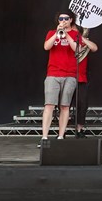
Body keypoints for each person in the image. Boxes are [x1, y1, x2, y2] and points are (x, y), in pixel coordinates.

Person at [41, 9, 79, 143]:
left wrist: (67, 35)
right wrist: (57, 33)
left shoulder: (75, 34)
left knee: (65, 106)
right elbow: (46, 47)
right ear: (58, 21)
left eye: (66, 18)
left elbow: (76, 50)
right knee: (49, 105)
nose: (63, 21)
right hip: (53, 74)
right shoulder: (51, 33)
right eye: (61, 19)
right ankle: (44, 137)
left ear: (71, 20)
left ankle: (61, 135)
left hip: (70, 74)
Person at [70, 24, 99, 139]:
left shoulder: (83, 40)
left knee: (83, 104)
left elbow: (95, 48)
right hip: (67, 75)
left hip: (81, 77)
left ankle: (79, 129)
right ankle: (61, 130)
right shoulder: (67, 39)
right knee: (65, 104)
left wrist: (83, 39)